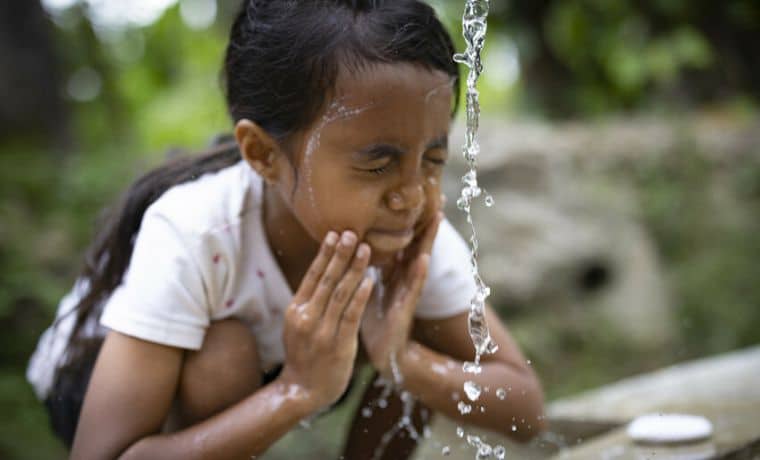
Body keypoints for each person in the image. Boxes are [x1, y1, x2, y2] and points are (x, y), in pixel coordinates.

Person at [27, 1, 545, 458]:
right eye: (377, 164)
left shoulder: (411, 232)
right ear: (262, 155)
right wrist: (295, 392)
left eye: (432, 159)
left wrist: (403, 361)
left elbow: (525, 407)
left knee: (409, 333)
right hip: (100, 382)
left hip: (283, 363)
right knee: (223, 356)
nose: (412, 196)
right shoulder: (195, 232)